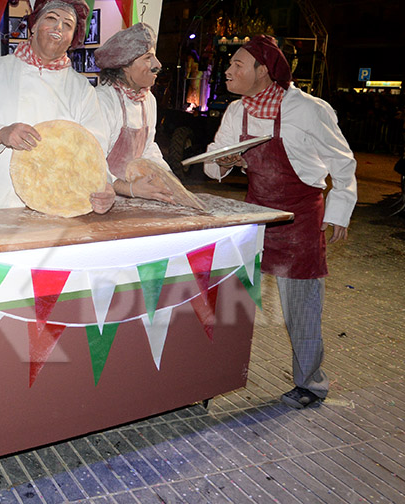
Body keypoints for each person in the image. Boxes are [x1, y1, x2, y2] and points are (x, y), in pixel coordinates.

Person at [202, 35, 357, 410]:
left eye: (238, 64)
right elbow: (212, 162)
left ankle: (311, 384)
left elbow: (343, 162)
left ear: (264, 71)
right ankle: (213, 376)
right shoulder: (236, 111)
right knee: (233, 301)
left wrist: (338, 212)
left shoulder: (306, 109)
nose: (228, 70)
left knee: (301, 307)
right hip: (256, 215)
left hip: (300, 218)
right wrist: (220, 164)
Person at [0, 0, 114, 213]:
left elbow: (95, 148)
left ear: (72, 39)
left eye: (68, 25)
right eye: (51, 19)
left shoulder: (81, 89)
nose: (59, 28)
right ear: (34, 25)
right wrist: (1, 133)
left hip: (56, 207)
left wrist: (104, 185)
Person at [93, 22, 176, 203]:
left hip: (137, 196)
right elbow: (93, 162)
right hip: (104, 198)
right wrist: (128, 189)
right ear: (125, 65)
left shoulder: (148, 100)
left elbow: (147, 148)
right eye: (148, 58)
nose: (158, 65)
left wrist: (169, 178)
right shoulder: (102, 100)